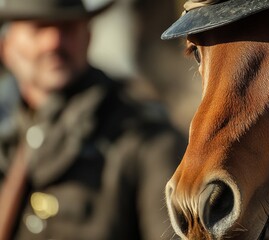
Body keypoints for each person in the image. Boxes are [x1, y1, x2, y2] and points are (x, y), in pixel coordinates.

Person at [0, 0, 186, 239]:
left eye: (68, 28)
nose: (54, 42)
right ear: (6, 46)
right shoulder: (8, 130)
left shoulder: (145, 135)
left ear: (88, 37)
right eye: (39, 28)